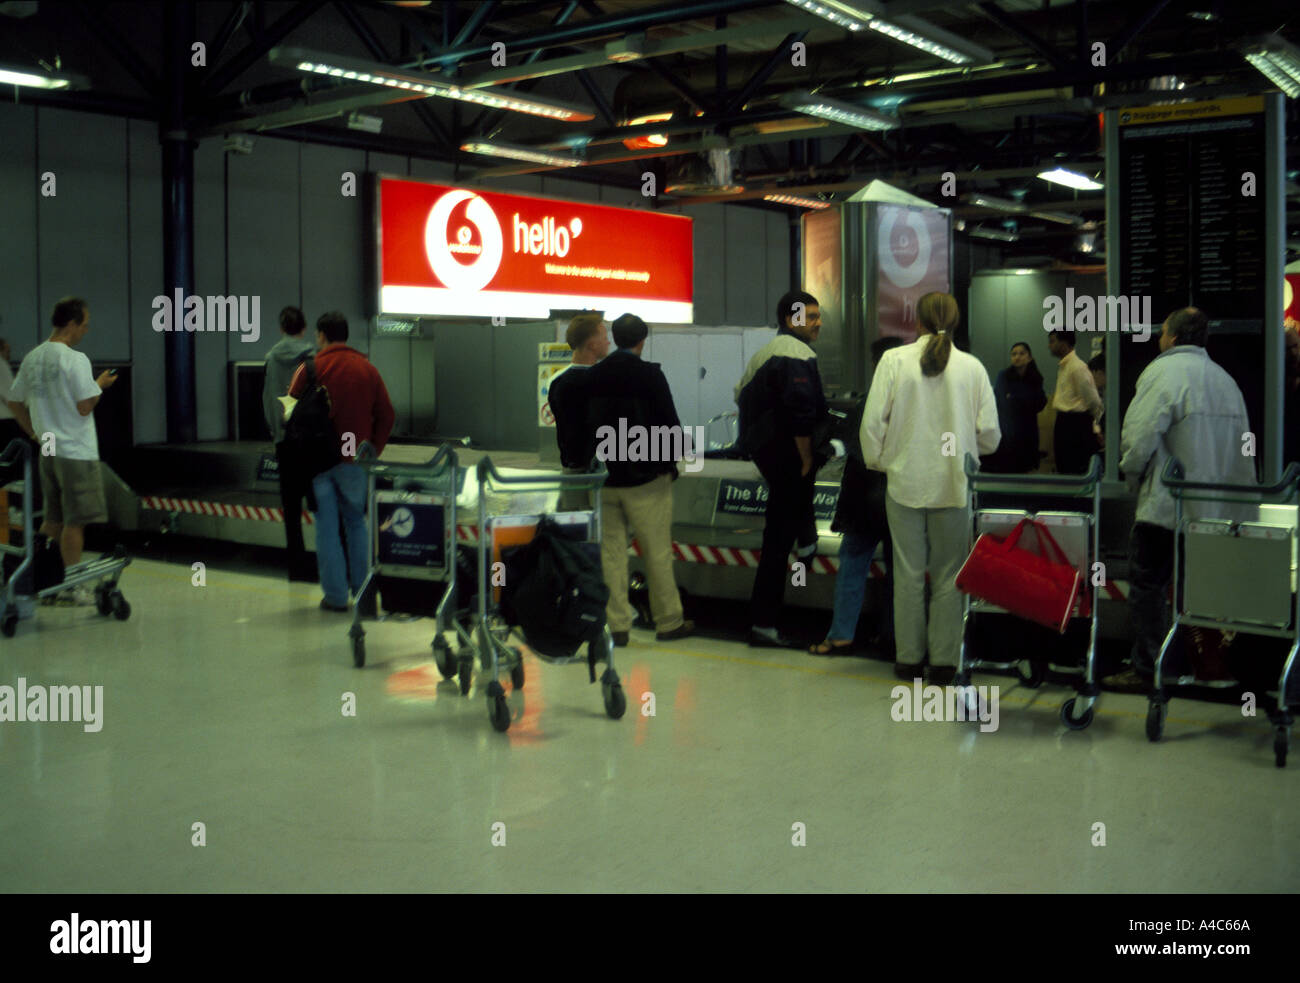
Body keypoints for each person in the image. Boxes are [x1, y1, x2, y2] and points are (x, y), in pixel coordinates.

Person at [1105, 307, 1254, 693]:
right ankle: (1199, 666)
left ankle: (1150, 668)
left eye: (1162, 333)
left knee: (1149, 586)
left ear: (1171, 337)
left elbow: (1139, 437)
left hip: (1166, 509)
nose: (1158, 339)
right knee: (1197, 591)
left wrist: (1131, 475)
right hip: (1214, 514)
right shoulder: (1227, 382)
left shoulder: (1162, 372)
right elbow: (1243, 449)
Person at [861, 293, 1000, 682]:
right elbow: (990, 436)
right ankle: (943, 662)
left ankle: (908, 659)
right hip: (954, 485)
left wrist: (882, 462)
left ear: (916, 322)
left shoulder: (893, 361)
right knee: (949, 574)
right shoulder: (972, 367)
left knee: (906, 573)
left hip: (903, 484)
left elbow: (872, 425)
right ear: (955, 323)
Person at [585, 313, 694, 646]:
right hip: (647, 480)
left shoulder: (593, 375)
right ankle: (668, 622)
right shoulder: (650, 376)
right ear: (642, 339)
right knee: (657, 552)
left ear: (615, 338)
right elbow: (668, 421)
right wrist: (674, 463)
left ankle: (617, 626)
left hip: (605, 480)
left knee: (611, 554)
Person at [735, 289, 834, 649]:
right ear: (792, 320)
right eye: (811, 317)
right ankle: (764, 623)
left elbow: (741, 396)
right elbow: (799, 409)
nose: (818, 322)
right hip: (789, 458)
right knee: (778, 542)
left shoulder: (766, 352)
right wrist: (806, 455)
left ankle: (807, 543)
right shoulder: (796, 353)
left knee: (785, 529)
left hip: (768, 455)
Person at [6, 297, 117, 604]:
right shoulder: (74, 359)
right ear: (71, 323)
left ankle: (43, 578)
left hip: (50, 446)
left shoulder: (33, 357)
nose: (86, 329)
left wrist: (34, 432)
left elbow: (13, 400)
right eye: (84, 324)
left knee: (53, 517)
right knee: (75, 520)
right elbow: (84, 406)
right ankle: (70, 584)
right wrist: (99, 386)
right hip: (74, 450)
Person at [288, 312, 395, 612]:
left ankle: (335, 597)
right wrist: (372, 450)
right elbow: (387, 414)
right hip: (354, 460)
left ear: (322, 335)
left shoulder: (309, 369)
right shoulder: (367, 369)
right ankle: (362, 594)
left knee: (326, 526)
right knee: (356, 525)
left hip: (318, 461)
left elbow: (289, 412)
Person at [810, 336, 901, 656]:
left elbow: (855, 448)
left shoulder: (869, 402)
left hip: (864, 499)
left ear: (877, 364)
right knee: (899, 574)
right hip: (900, 500)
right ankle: (894, 638)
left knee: (852, 565)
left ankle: (841, 635)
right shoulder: (914, 401)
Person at [263, 306, 316, 582]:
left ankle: (297, 568)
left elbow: (269, 401)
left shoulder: (271, 359)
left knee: (291, 509)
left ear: (282, 328)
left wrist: (277, 433)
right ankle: (325, 563)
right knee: (319, 506)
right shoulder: (312, 358)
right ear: (304, 328)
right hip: (310, 443)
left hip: (285, 442)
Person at [549, 312, 610, 511]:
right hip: (600, 473)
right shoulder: (603, 381)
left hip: (571, 473)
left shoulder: (557, 381)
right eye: (604, 337)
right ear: (592, 345)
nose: (608, 342)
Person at [985, 341, 1046, 473]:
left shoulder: (1035, 377)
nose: (1017, 357)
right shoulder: (1004, 376)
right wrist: (1022, 400)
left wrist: (1015, 398)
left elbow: (1040, 403)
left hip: (1028, 430)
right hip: (1008, 430)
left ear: (1029, 357)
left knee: (1026, 470)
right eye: (1014, 354)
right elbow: (1002, 402)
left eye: (1021, 353)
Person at [1046, 330, 1102, 474]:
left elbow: (1094, 401)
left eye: (1052, 341)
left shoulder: (1077, 367)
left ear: (1064, 343)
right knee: (1063, 467)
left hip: (1076, 425)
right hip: (1064, 422)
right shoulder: (1064, 366)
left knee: (1074, 468)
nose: (1049, 346)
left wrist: (1096, 428)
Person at [1283, 320, 1300, 467]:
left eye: (1295, 346)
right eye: (1287, 349)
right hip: (1284, 455)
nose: (1293, 353)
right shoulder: (1275, 385)